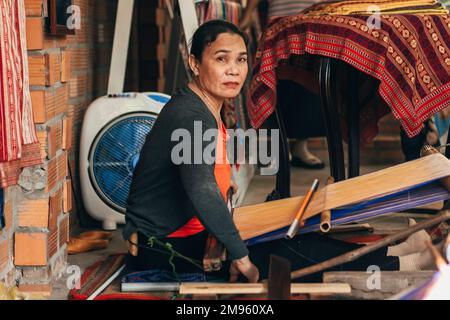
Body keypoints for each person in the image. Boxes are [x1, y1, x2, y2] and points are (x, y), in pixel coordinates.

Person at [123, 20, 439, 284]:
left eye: (241, 60)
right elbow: (200, 188)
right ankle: (402, 266)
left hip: (189, 234)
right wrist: (241, 257)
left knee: (291, 232)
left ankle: (394, 254)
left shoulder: (202, 106)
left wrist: (226, 191)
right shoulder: (190, 115)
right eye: (221, 59)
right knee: (285, 253)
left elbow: (203, 171)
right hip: (167, 250)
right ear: (194, 63)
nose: (233, 70)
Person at [240, 0, 328, 170]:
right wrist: (248, 13)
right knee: (277, 85)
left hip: (315, 23)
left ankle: (300, 148)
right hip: (280, 24)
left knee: (307, 87)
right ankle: (277, 150)